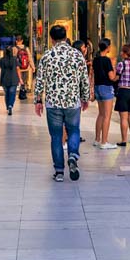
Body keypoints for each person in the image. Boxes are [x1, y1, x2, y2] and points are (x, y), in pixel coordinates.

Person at [33, 25, 90, 182]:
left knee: (56, 137)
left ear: (51, 39)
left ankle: (59, 171)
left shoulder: (47, 56)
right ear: (66, 37)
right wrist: (85, 98)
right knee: (73, 130)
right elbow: (84, 79)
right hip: (72, 102)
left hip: (53, 103)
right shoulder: (77, 55)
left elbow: (39, 80)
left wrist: (38, 100)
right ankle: (72, 155)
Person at [92, 38, 118, 150]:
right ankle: (104, 141)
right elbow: (112, 77)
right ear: (107, 47)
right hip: (106, 88)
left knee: (101, 114)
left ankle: (97, 139)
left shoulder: (95, 59)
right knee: (107, 115)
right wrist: (115, 67)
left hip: (98, 87)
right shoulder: (107, 61)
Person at [0, 44, 21, 115]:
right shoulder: (15, 59)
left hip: (4, 79)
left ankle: (8, 106)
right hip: (13, 79)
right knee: (12, 93)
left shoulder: (1, 60)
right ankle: (10, 105)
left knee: (7, 94)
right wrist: (20, 79)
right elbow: (18, 69)